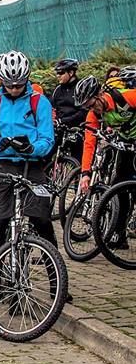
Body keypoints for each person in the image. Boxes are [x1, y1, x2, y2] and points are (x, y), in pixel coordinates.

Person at [0, 50, 57, 256]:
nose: (13, 89)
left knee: (42, 220)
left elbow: (47, 139)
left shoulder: (39, 102)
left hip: (33, 165)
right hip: (3, 165)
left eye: (19, 85)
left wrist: (32, 148)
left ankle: (56, 276)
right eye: (9, 85)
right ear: (1, 81)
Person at [76, 75, 136, 249]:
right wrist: (85, 173)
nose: (93, 109)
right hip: (126, 148)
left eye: (92, 103)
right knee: (119, 189)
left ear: (100, 93)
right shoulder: (93, 113)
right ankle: (120, 234)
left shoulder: (126, 97)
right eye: (87, 106)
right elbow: (89, 143)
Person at [51, 59, 87, 161]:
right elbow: (52, 109)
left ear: (71, 73)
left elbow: (83, 113)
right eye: (57, 73)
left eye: (61, 73)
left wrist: (63, 121)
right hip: (60, 129)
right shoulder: (57, 90)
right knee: (47, 154)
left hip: (77, 129)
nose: (58, 75)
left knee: (78, 154)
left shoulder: (81, 88)